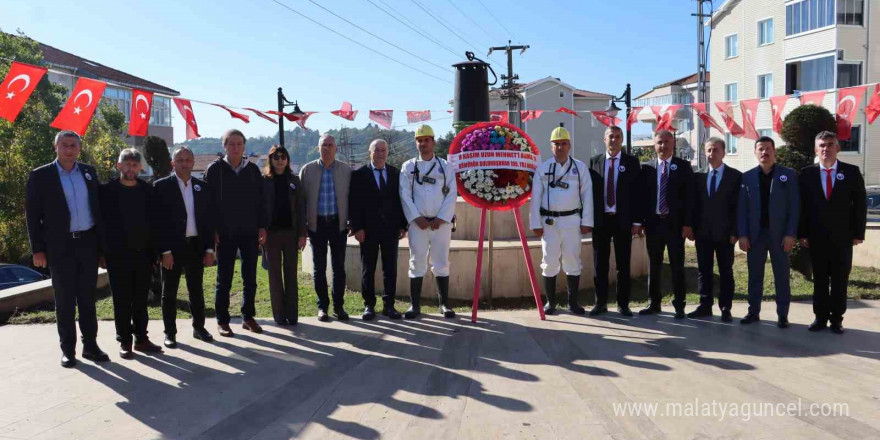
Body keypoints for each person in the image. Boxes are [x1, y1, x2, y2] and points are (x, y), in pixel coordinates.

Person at [25, 130, 109, 367]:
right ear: (56, 147)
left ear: (79, 148)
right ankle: (68, 350)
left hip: (87, 244)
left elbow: (98, 212)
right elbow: (32, 215)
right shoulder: (41, 175)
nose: (69, 149)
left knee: (87, 298)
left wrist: (102, 249)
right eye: (64, 145)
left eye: (73, 145)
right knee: (64, 300)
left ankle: (90, 346)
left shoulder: (89, 173)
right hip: (59, 247)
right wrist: (37, 249)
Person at [798, 131, 867, 334]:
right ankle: (820, 318)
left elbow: (860, 205)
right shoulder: (807, 174)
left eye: (830, 144)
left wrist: (858, 233)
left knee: (839, 280)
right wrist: (802, 233)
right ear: (816, 150)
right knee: (819, 280)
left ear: (838, 148)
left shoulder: (851, 172)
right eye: (822, 145)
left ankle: (836, 319)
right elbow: (802, 206)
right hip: (816, 238)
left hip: (843, 238)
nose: (826, 148)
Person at [99, 148, 162, 358]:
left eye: (135, 165)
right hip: (117, 256)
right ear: (119, 166)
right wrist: (102, 253)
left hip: (143, 255)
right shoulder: (106, 191)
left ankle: (141, 339)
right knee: (122, 301)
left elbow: (155, 224)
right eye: (127, 164)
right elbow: (101, 224)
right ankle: (124, 341)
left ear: (140, 167)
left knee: (140, 300)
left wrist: (154, 255)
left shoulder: (148, 190)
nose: (131, 168)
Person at [204, 129, 268, 336]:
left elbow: (261, 202)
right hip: (224, 233)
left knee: (250, 277)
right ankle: (223, 320)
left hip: (249, 232)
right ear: (224, 146)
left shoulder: (252, 170)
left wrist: (262, 226)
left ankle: (248, 317)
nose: (235, 147)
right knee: (224, 279)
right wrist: (212, 229)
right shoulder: (214, 170)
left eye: (239, 143)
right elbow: (207, 205)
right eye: (231, 144)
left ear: (244, 146)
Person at [153, 146, 215, 348]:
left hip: (196, 246)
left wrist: (209, 249)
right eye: (180, 160)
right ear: (173, 163)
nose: (184, 163)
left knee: (196, 290)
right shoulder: (161, 187)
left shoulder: (202, 187)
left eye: (188, 160)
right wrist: (165, 251)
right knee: (169, 293)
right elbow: (158, 223)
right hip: (171, 249)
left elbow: (207, 221)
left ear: (193, 162)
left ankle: (199, 327)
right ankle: (170, 333)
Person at [530, 126, 593, 315]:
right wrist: (535, 223)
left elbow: (587, 196)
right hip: (549, 222)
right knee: (549, 261)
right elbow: (536, 197)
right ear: (551, 146)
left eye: (564, 143)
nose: (560, 147)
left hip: (572, 221)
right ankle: (551, 303)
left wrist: (586, 221)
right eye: (556, 144)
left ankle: (573, 303)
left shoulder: (579, 168)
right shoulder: (543, 168)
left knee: (572, 260)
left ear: (569, 145)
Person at [737, 136, 799, 328]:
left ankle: (782, 315)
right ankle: (753, 312)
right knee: (755, 275)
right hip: (755, 236)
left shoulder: (787, 175)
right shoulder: (746, 177)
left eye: (768, 149)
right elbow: (742, 209)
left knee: (781, 275)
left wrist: (790, 234)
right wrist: (743, 234)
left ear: (775, 151)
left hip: (780, 236)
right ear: (755, 153)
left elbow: (794, 207)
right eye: (760, 149)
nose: (764, 152)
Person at [400, 124, 458, 319]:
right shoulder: (408, 167)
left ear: (433, 141)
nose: (423, 143)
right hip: (418, 225)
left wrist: (441, 218)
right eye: (419, 140)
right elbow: (405, 195)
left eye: (426, 140)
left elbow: (452, 194)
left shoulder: (445, 166)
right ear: (416, 143)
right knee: (416, 262)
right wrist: (416, 217)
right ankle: (414, 306)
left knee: (441, 262)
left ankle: (444, 305)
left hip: (441, 224)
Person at [638, 129, 695, 319]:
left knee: (677, 266)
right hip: (653, 225)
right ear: (654, 145)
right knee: (653, 266)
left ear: (673, 144)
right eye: (659, 142)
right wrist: (641, 222)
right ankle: (654, 303)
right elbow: (643, 198)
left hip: (675, 226)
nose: (663, 146)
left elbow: (689, 199)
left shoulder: (683, 167)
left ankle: (679, 305)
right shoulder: (646, 168)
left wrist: (688, 224)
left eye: (666, 142)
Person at [349, 139, 407, 320]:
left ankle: (389, 305)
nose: (380, 153)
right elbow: (354, 203)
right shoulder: (359, 174)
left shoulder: (395, 173)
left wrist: (402, 225)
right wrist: (357, 227)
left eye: (383, 150)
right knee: (368, 268)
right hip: (368, 230)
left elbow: (401, 201)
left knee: (390, 269)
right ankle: (369, 305)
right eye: (377, 150)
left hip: (390, 230)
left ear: (387, 152)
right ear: (370, 152)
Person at [588, 126, 641, 317]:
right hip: (601, 221)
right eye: (611, 136)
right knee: (599, 265)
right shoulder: (594, 162)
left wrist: (637, 221)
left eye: (618, 137)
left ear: (622, 140)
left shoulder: (632, 162)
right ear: (604, 139)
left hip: (623, 221)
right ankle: (600, 303)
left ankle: (623, 304)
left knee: (623, 265)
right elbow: (589, 194)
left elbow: (637, 195)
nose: (614, 140)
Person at [299, 134, 353, 321]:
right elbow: (301, 201)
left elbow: (352, 199)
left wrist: (351, 222)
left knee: (339, 268)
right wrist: (303, 227)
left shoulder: (346, 170)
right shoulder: (307, 170)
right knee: (319, 268)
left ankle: (339, 307)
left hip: (338, 224)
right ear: (318, 148)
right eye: (324, 145)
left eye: (330, 145)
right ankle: (323, 307)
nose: (327, 148)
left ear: (336, 148)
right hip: (317, 225)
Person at [688, 138, 741, 322]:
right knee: (704, 270)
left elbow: (738, 207)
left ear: (724, 152)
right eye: (709, 150)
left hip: (726, 235)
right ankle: (705, 305)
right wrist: (691, 228)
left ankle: (726, 307)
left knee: (726, 271)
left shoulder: (735, 176)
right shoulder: (698, 176)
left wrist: (736, 231)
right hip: (703, 233)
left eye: (716, 150)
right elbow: (693, 205)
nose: (712, 154)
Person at [262, 145, 307, 325]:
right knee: (274, 275)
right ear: (270, 160)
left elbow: (301, 209)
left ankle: (292, 314)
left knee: (291, 274)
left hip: (291, 234)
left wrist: (302, 234)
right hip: (271, 235)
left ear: (287, 160)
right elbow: (259, 208)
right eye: (276, 157)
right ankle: (279, 316)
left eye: (283, 157)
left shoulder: (294, 180)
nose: (280, 160)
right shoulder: (264, 181)